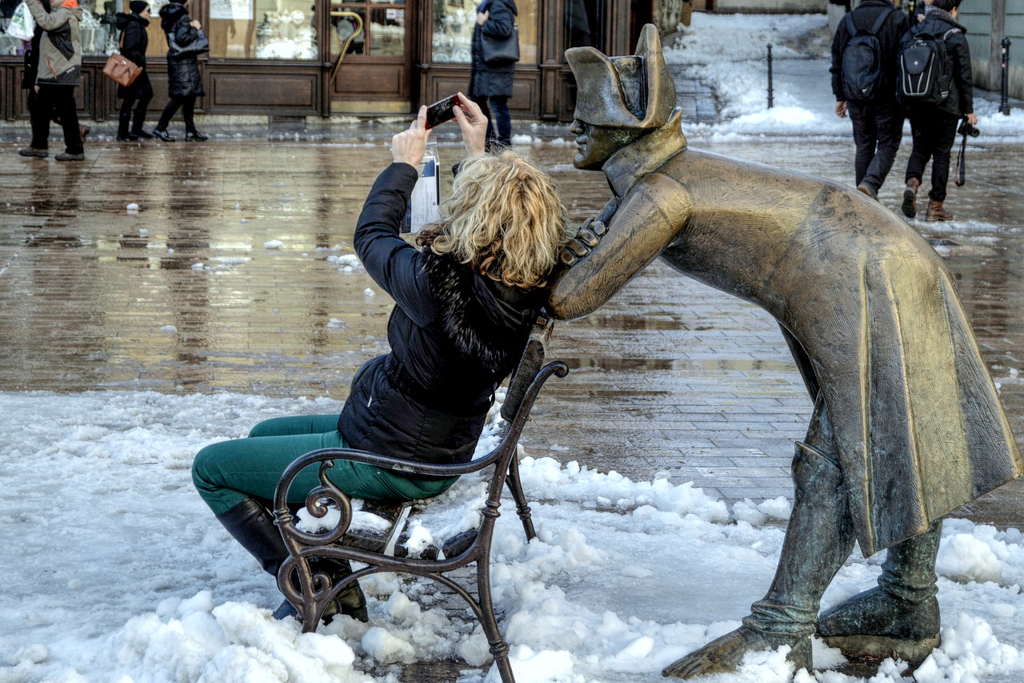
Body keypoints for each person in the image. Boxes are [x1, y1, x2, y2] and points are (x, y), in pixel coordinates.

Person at [550, 26, 1021, 678]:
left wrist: (518, 252)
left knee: (851, 446)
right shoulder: (662, 177)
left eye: (589, 117)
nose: (575, 126)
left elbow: (571, 296)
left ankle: (783, 627)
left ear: (627, 129)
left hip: (858, 266)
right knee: (900, 429)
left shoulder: (661, 192)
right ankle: (908, 602)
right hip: (867, 251)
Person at [190, 96, 571, 622]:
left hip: (395, 454)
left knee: (211, 467)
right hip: (430, 439)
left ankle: (318, 585)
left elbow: (371, 236)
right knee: (263, 434)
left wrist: (404, 166)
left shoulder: (438, 287)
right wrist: (478, 150)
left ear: (477, 219)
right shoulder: (518, 283)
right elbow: (496, 221)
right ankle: (323, 560)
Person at [900, 0, 977, 221]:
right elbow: (964, 77)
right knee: (942, 154)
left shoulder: (915, 30)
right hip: (946, 106)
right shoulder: (955, 36)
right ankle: (935, 207)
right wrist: (969, 110)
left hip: (917, 101)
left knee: (919, 148)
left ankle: (912, 185)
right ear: (952, 10)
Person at [829, 0, 909, 199]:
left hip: (856, 96)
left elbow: (837, 60)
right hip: (888, 96)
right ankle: (870, 183)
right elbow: (906, 58)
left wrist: (840, 96)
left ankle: (863, 202)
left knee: (864, 146)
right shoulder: (897, 18)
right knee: (888, 144)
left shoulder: (848, 20)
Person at [19, 0, 85, 161]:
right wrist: (39, 77)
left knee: (65, 111)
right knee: (42, 109)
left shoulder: (65, 12)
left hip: (61, 71)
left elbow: (47, 23)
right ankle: (39, 145)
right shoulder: (61, 12)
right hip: (54, 70)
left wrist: (33, 3)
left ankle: (74, 149)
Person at [153, 0, 207, 142]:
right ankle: (160, 128)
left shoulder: (170, 14)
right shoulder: (182, 16)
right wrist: (195, 28)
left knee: (189, 95)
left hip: (178, 59)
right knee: (180, 97)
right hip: (184, 61)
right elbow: (182, 39)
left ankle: (190, 130)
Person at [469, 0, 518, 149]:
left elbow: (504, 28)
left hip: (496, 66)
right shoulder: (492, 4)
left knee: (497, 104)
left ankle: (503, 143)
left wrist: (484, 23)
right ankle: (491, 140)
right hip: (488, 67)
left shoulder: (498, 4)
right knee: (478, 99)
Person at [114, 1, 154, 141]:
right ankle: (125, 132)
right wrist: (140, 63)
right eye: (148, 11)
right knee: (132, 99)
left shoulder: (135, 23)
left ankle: (133, 130)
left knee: (140, 97)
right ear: (141, 11)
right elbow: (130, 49)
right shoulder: (134, 25)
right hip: (133, 68)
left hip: (134, 67)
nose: (150, 14)